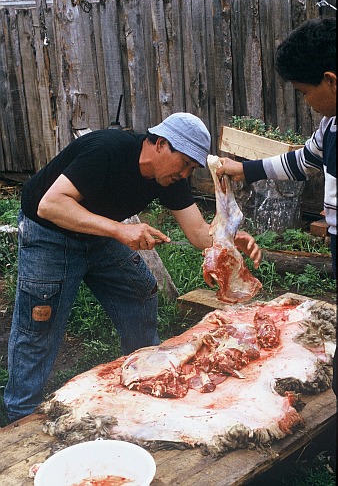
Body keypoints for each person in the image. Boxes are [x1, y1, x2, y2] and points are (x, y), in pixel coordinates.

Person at [4, 112, 261, 422]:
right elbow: (51, 205)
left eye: (193, 168)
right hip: (49, 231)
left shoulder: (171, 176)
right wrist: (119, 230)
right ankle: (19, 415)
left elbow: (197, 234)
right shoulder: (107, 150)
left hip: (96, 233)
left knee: (139, 290)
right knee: (39, 324)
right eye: (186, 165)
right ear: (163, 145)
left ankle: (146, 373)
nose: (185, 175)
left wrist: (229, 240)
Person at [217, 17, 336, 394]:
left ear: (331, 81)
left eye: (304, 91)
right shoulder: (331, 126)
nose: (305, 101)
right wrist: (246, 170)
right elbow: (303, 162)